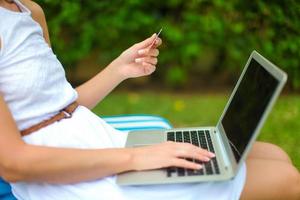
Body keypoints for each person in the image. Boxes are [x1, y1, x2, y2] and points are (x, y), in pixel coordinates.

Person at [0, 0, 299, 199]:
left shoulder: (27, 11)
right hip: (66, 174)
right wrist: (136, 158)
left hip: (99, 142)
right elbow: (13, 163)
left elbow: (60, 109)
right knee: (287, 180)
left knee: (271, 154)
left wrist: (119, 68)